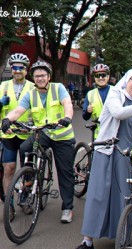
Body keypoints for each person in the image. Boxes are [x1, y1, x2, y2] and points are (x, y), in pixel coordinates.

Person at [70, 68, 132, 249]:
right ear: (127, 80)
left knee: (125, 196)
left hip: (127, 154)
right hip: (106, 150)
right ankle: (87, 241)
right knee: (97, 195)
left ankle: (126, 238)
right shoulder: (115, 94)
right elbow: (118, 113)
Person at [1, 60, 76, 223]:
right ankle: (28, 180)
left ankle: (67, 208)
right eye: (36, 76)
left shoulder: (58, 88)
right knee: (25, 147)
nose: (40, 78)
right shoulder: (31, 94)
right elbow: (19, 110)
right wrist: (7, 119)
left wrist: (67, 117)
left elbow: (67, 104)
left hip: (62, 135)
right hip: (43, 132)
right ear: (33, 78)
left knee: (65, 172)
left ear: (48, 76)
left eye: (42, 75)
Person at [0, 53, 34, 220]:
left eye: (21, 67)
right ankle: (9, 204)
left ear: (26, 70)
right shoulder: (3, 86)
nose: (17, 70)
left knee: (28, 169)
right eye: (14, 67)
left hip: (27, 133)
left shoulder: (33, 87)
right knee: (9, 168)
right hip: (8, 133)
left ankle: (26, 198)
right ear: (11, 69)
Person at [82, 64, 111, 139]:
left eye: (103, 75)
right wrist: (88, 111)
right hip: (99, 136)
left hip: (115, 134)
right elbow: (85, 117)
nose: (101, 78)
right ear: (94, 78)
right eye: (98, 76)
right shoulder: (90, 94)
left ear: (108, 77)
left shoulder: (116, 91)